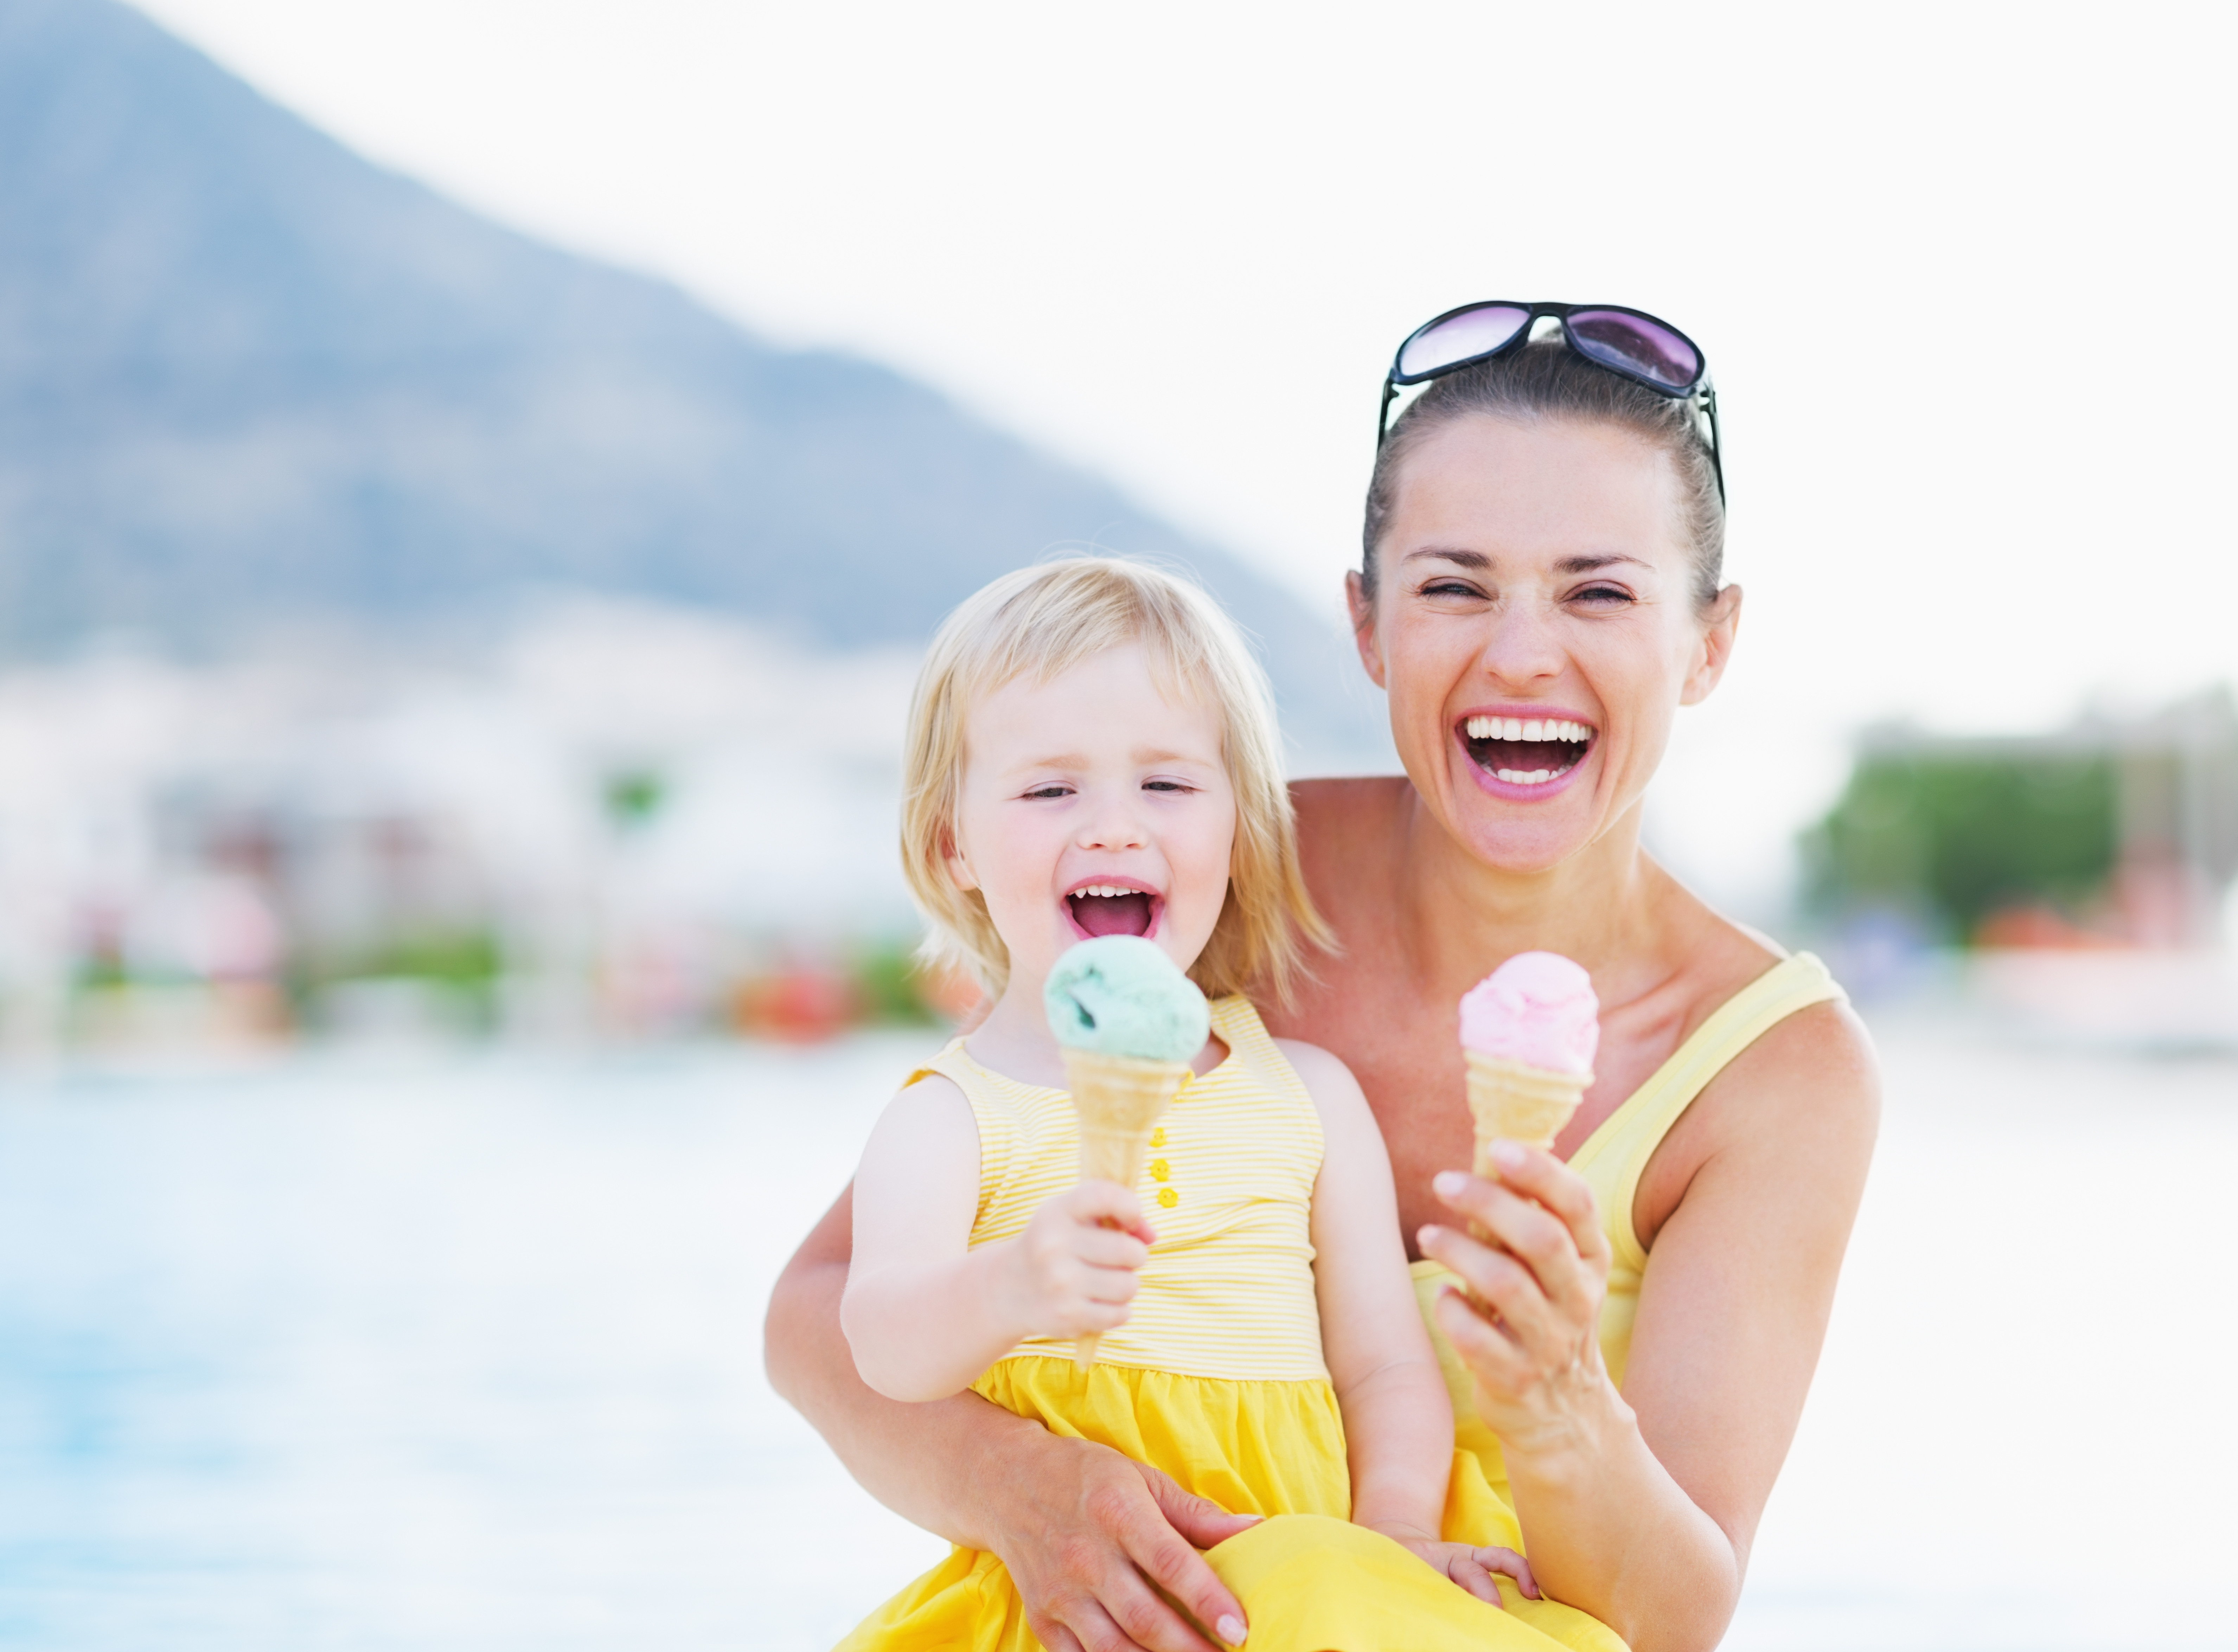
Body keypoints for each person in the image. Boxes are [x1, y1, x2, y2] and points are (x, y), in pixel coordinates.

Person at [768, 302, 1880, 1652]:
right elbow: (820, 1316)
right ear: (1366, 624)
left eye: (1598, 589)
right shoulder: (1207, 874)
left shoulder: (1774, 1069)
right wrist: (1023, 1488)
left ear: (1707, 641)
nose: (1521, 652)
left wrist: (1555, 1399)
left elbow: (1678, 1618)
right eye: (1453, 585)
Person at [834, 556, 1592, 1652]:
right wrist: (1008, 1285)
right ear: (952, 843)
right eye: (1051, 789)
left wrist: (1384, 1539)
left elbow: (1382, 1360)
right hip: (1077, 1605)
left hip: (1312, 1571)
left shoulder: (1308, 1094)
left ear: (1235, 829)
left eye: (1168, 785)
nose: (1110, 827)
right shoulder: (952, 1113)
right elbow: (883, 1344)